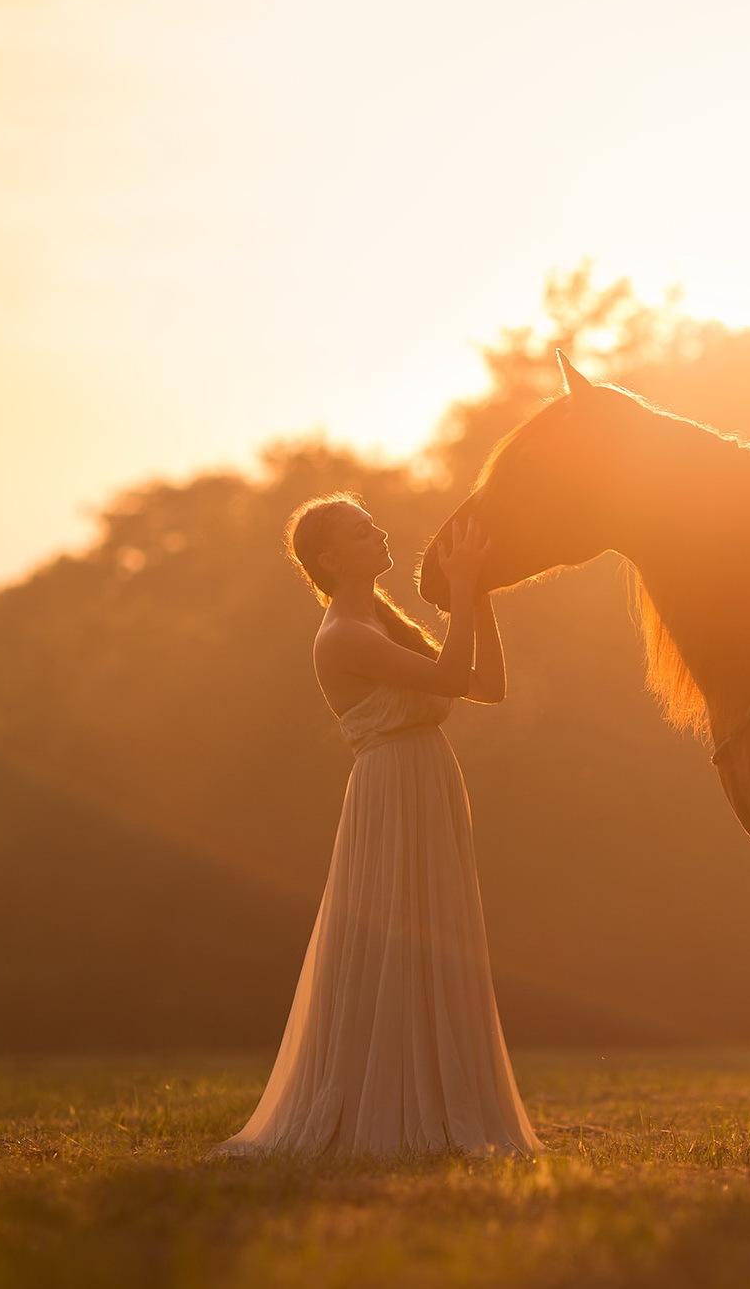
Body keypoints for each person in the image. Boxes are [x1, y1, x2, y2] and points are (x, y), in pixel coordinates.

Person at [215, 492, 541, 1157]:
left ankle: (442, 1093)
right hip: (391, 788)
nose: (380, 533)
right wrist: (465, 584)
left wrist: (476, 599)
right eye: (363, 532)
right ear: (332, 558)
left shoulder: (382, 624)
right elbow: (452, 676)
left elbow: (486, 685)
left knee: (438, 929)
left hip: (427, 778)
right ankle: (383, 1104)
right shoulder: (345, 635)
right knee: (397, 934)